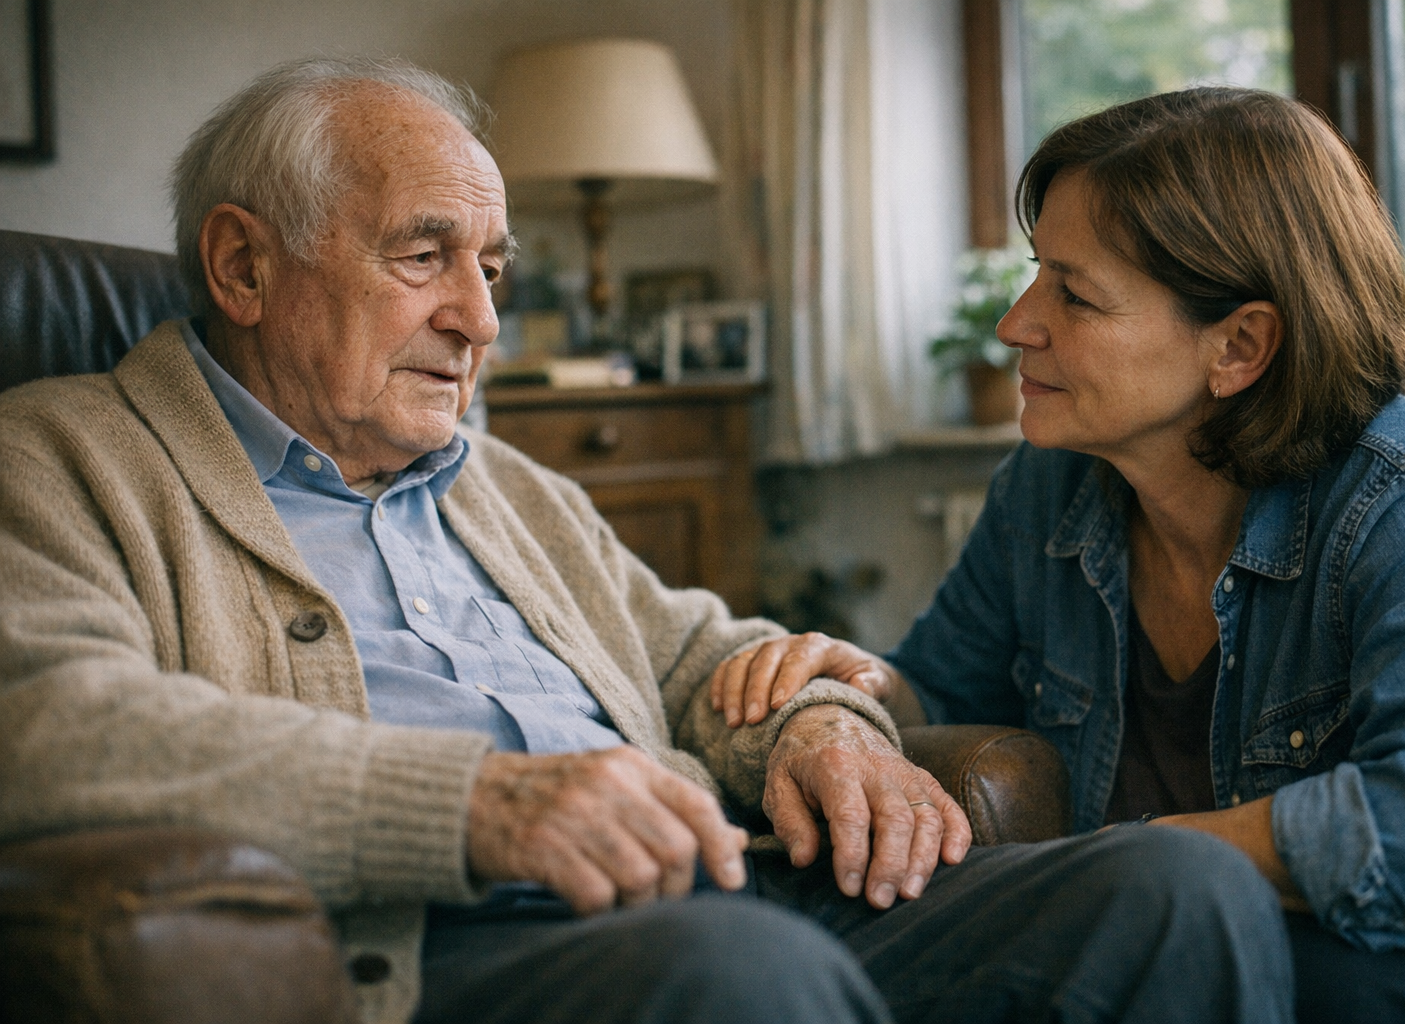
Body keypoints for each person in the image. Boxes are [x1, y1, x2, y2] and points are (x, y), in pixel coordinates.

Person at [0, 60, 1294, 1024]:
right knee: (744, 972)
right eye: (424, 257)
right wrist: (477, 804)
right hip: (461, 945)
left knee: (1176, 890)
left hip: (724, 894)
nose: (479, 320)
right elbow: (45, 727)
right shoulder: (62, 460)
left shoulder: (501, 485)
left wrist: (820, 727)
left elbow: (703, 657)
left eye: (491, 269)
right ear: (243, 266)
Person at [718, 87, 1405, 1021]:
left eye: (1075, 295)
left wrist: (1141, 861)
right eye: (1037, 274)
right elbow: (942, 689)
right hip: (1168, 937)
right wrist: (860, 689)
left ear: (1240, 345)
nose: (1016, 323)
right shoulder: (1050, 485)